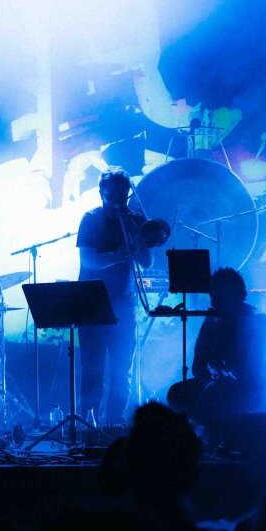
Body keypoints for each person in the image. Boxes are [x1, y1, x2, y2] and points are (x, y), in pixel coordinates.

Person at [77, 167, 152, 424]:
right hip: (92, 304)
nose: (117, 202)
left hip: (123, 304)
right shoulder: (91, 219)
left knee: (122, 370)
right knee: (92, 369)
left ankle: (113, 425)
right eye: (112, 196)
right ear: (101, 194)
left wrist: (136, 235)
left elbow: (147, 262)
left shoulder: (136, 221)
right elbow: (87, 260)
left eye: (122, 196)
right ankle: (89, 425)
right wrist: (117, 256)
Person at [167, 267, 266, 427]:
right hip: (222, 384)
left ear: (235, 295)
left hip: (255, 389)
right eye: (212, 295)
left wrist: (221, 382)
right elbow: (198, 364)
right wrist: (211, 379)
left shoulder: (256, 320)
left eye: (218, 296)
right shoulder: (213, 320)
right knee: (177, 394)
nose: (213, 301)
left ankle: (220, 439)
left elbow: (255, 371)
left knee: (215, 399)